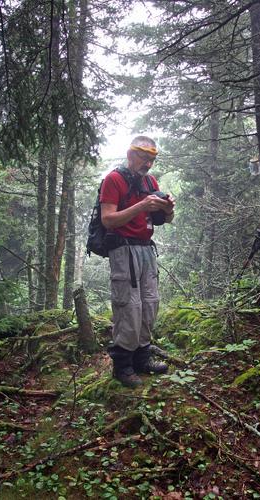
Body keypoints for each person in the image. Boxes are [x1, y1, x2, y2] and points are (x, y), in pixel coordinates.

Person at [100, 136, 175, 388]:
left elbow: (166, 220)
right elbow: (108, 220)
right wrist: (142, 204)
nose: (149, 164)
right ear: (131, 154)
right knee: (128, 306)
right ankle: (122, 366)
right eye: (145, 158)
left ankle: (142, 358)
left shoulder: (149, 182)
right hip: (123, 250)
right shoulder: (114, 179)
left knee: (149, 303)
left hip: (146, 249)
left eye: (153, 159)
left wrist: (166, 208)